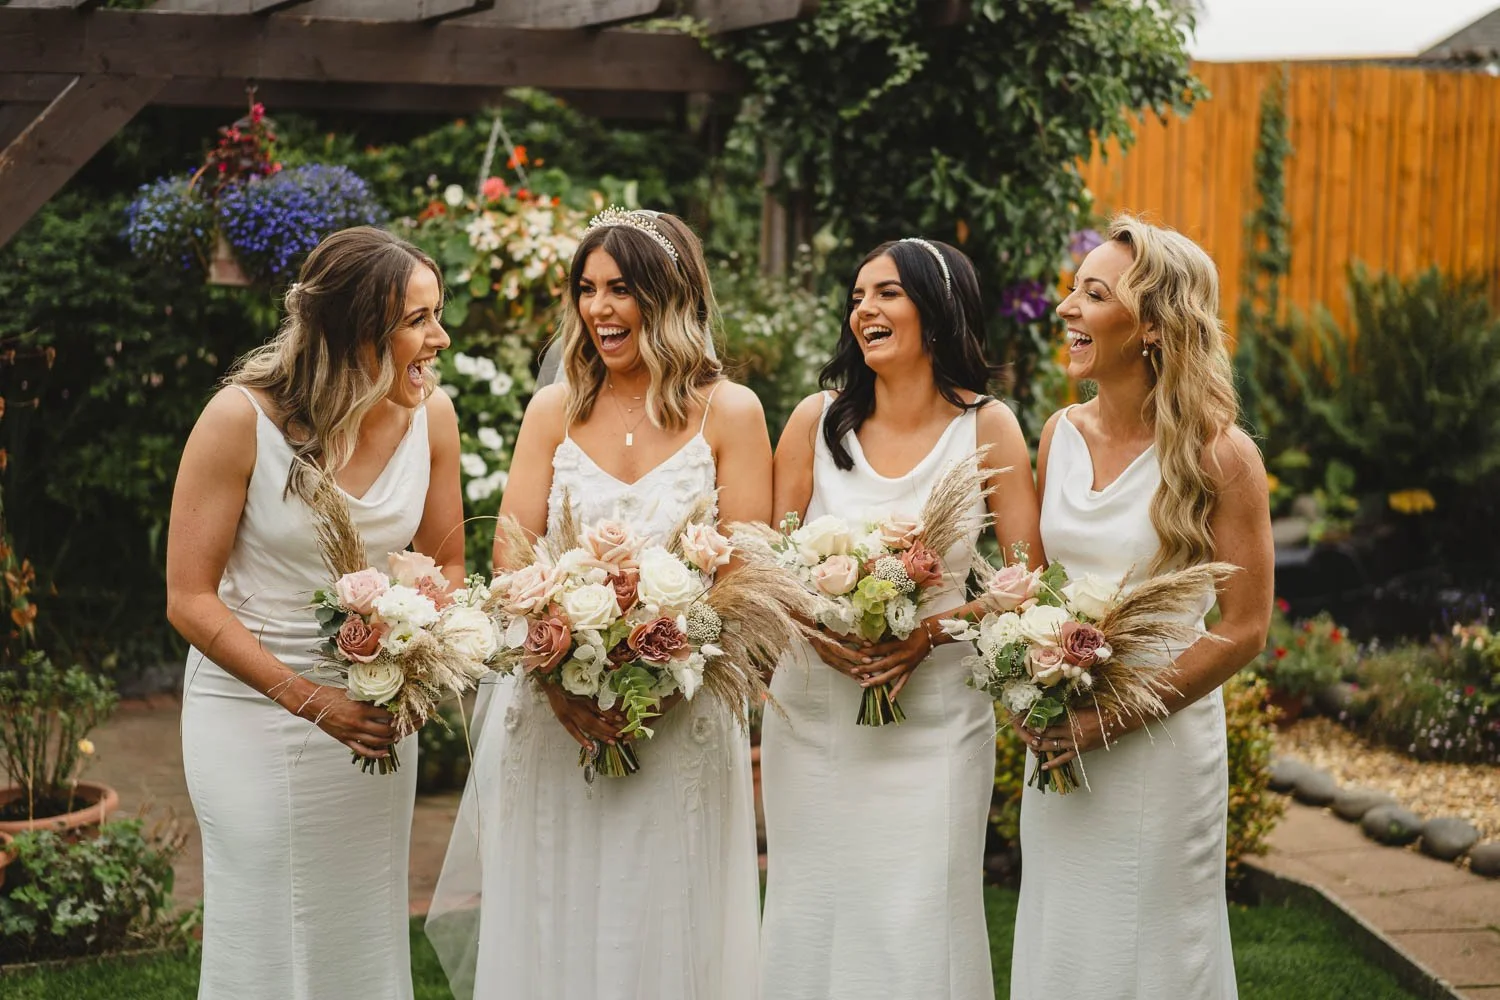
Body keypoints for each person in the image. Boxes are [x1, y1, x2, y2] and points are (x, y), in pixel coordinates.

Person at [427, 208, 771, 1000]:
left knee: (667, 906)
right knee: (555, 900)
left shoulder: (733, 412)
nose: (599, 309)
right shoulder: (555, 411)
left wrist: (657, 661)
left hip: (682, 714)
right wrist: (559, 675)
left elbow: (748, 577)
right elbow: (512, 554)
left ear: (670, 295)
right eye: (587, 289)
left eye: (621, 289)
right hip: (554, 711)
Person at [167, 226, 464, 1000]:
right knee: (264, 904)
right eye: (417, 320)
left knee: (357, 917)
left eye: (437, 313)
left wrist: (418, 658)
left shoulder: (434, 416)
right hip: (249, 709)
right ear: (354, 331)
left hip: (370, 715)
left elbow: (447, 561)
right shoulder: (240, 421)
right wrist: (310, 701)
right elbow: (189, 598)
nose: (440, 337)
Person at [758, 238, 1043, 1000]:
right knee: (812, 905)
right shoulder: (815, 422)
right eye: (856, 297)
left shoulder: (989, 428)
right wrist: (820, 627)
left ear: (937, 309)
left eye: (885, 294)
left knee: (920, 912)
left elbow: (1027, 580)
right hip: (815, 713)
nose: (864, 311)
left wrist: (928, 633)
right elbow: (766, 564)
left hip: (936, 718)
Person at [1010, 215, 1274, 999]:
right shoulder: (1057, 433)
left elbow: (1244, 627)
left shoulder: (1220, 456)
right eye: (1072, 289)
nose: (1065, 309)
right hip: (1061, 736)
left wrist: (1109, 718)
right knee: (1064, 931)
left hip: (1160, 743)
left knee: (1153, 946)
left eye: (1093, 295)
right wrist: (1024, 680)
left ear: (1154, 326)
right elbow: (1038, 588)